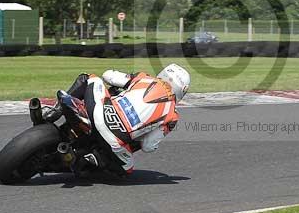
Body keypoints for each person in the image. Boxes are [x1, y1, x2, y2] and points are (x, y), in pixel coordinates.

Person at [42, 63, 190, 176]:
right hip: (115, 141)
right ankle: (86, 159)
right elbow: (148, 146)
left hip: (98, 112)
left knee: (88, 78)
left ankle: (55, 111)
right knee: (127, 169)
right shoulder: (172, 116)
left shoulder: (144, 78)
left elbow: (108, 75)